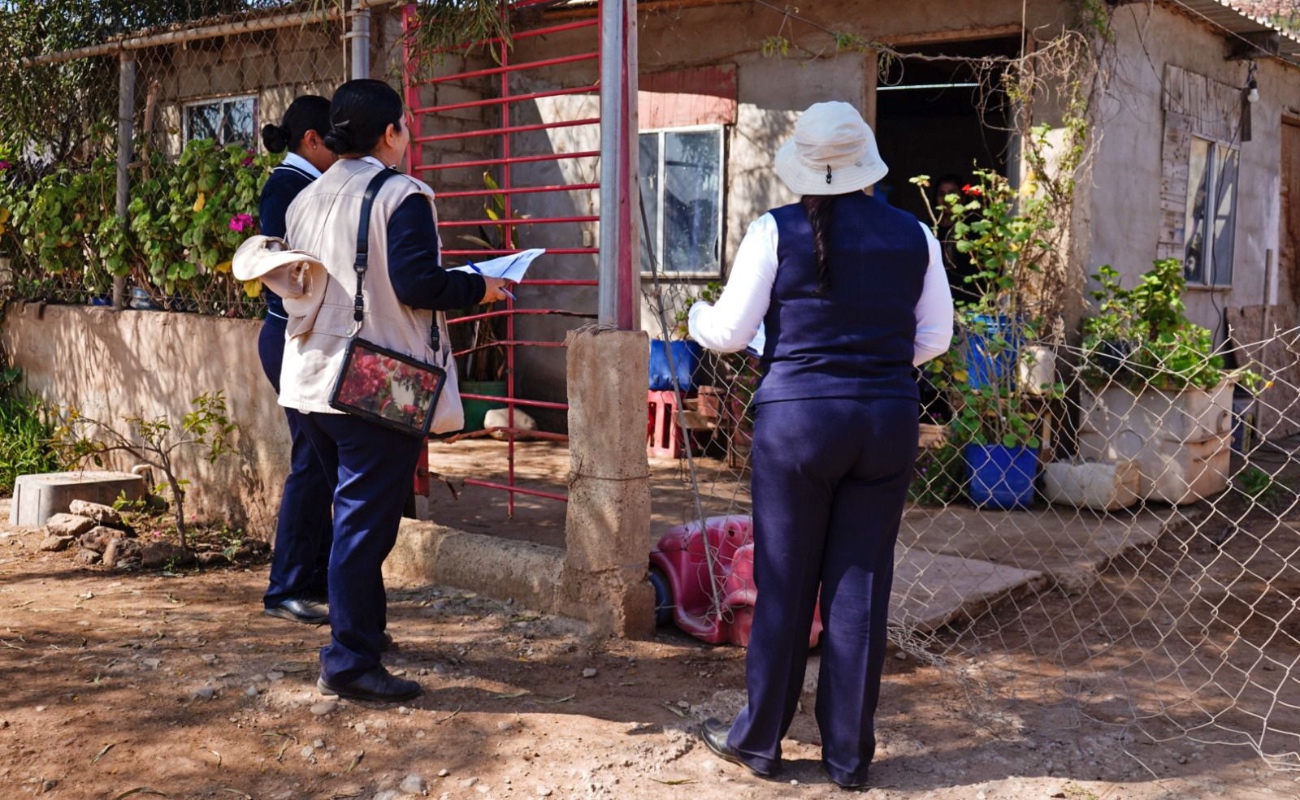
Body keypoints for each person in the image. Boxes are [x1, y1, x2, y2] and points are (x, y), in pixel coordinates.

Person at [687, 101, 953, 789]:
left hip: (798, 426)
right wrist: (875, 366)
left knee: (785, 580)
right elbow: (935, 338)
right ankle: (848, 759)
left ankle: (759, 742)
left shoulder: (775, 231)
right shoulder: (916, 235)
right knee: (859, 588)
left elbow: (728, 333)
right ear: (867, 165)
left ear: (802, 167)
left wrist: (695, 315)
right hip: (887, 422)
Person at [279, 79, 512, 703]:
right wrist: (480, 287)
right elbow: (416, 284)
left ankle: (365, 635)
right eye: (404, 125)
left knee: (356, 518)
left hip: (307, 377)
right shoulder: (399, 194)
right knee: (364, 526)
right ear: (390, 132)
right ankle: (349, 661)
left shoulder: (307, 196)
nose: (406, 135)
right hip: (375, 379)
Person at [257, 95, 338, 627]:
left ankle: (312, 578)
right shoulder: (290, 187)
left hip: (294, 339)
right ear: (312, 139)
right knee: (311, 462)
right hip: (290, 339)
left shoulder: (296, 183)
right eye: (336, 140)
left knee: (321, 462)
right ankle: (285, 587)